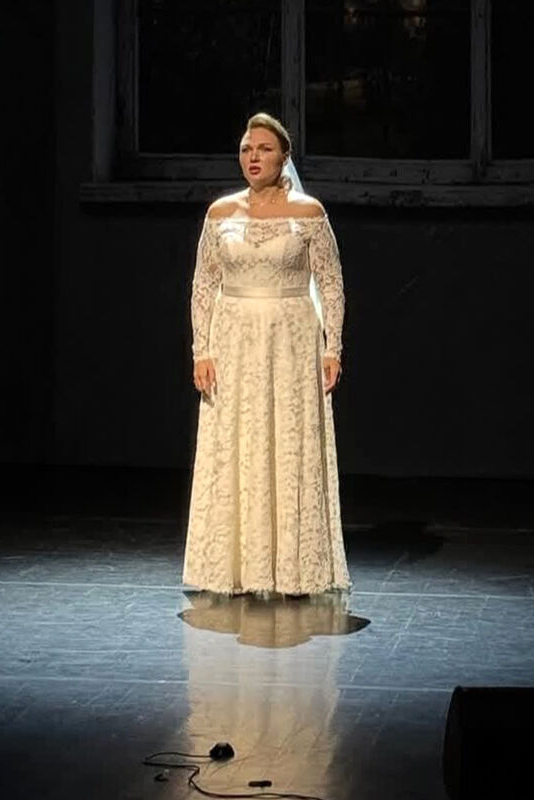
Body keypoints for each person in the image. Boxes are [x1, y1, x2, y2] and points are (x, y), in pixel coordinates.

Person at [182, 112, 350, 598]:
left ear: (284, 156)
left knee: (287, 443)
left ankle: (292, 570)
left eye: (264, 149)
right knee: (237, 443)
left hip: (291, 342)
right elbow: (203, 286)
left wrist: (332, 347)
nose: (253, 157)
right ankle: (235, 569)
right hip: (234, 342)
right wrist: (201, 350)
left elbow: (331, 283)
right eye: (246, 149)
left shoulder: (309, 213)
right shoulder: (221, 213)